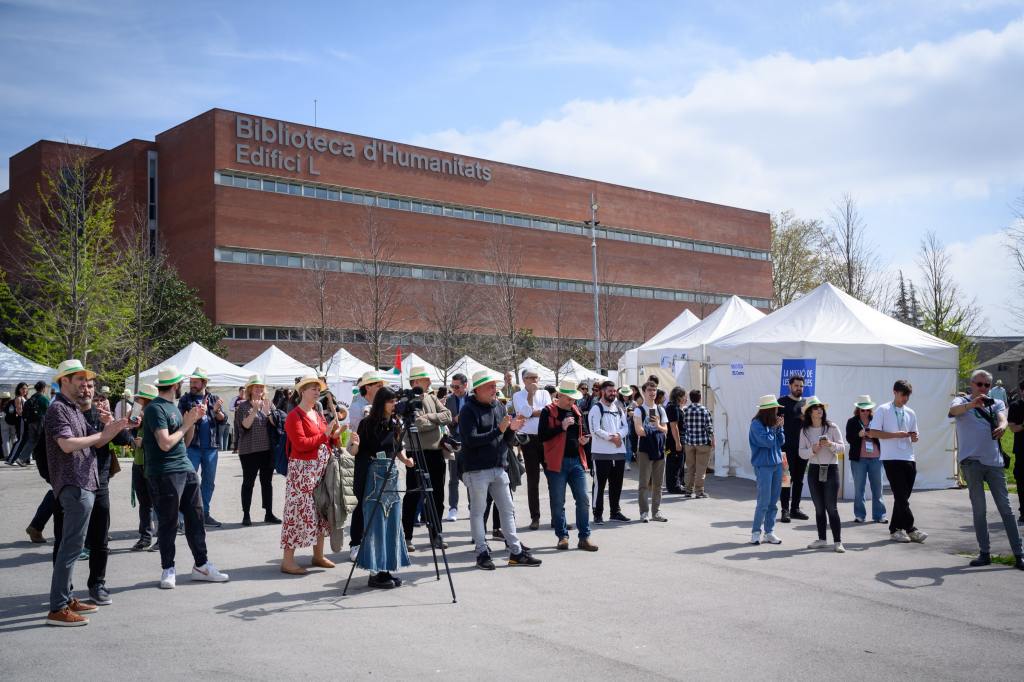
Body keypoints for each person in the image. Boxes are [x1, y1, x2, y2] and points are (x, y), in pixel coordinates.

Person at [43, 360, 128, 626]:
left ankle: (66, 599)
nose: (85, 385)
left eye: (87, 380)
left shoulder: (73, 409)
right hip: (74, 484)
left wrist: (112, 427)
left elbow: (99, 441)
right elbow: (67, 445)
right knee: (70, 548)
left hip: (85, 484)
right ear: (64, 381)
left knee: (73, 546)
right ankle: (58, 608)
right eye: (79, 379)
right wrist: (101, 435)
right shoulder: (58, 408)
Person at [144, 365, 230, 590]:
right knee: (169, 522)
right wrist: (185, 424)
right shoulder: (155, 408)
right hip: (164, 472)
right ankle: (168, 568)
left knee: (196, 519)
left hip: (185, 469)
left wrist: (193, 421)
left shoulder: (173, 407)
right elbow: (165, 443)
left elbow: (185, 442)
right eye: (182, 382)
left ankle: (201, 565)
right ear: (176, 385)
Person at [460, 369, 541, 570]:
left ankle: (516, 552)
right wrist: (500, 430)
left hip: (499, 467)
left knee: (508, 510)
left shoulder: (499, 406)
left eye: (495, 386)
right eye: (490, 387)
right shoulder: (468, 410)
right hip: (476, 469)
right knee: (478, 511)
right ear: (478, 389)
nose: (494, 390)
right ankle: (482, 552)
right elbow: (470, 440)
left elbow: (506, 439)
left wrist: (512, 429)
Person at [949, 369, 1024, 569]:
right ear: (971, 384)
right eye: (979, 384)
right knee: (979, 509)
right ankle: (985, 553)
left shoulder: (996, 402)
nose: (983, 388)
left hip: (994, 462)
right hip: (971, 461)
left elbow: (1003, 417)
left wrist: (1002, 426)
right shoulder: (961, 401)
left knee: (1006, 509)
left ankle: (1019, 554)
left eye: (986, 385)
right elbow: (953, 411)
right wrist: (972, 404)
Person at [70, 381, 134, 603]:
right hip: (72, 484)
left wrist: (112, 422)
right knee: (68, 539)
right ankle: (64, 591)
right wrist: (54, 481)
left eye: (91, 388)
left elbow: (126, 441)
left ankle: (97, 584)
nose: (87, 391)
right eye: (83, 387)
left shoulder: (101, 416)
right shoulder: (66, 414)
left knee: (100, 538)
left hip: (100, 482)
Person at [281, 375, 343, 575]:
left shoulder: (317, 413)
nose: (317, 392)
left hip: (320, 469)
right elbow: (301, 444)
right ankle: (287, 561)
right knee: (296, 514)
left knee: (320, 510)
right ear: (302, 392)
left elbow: (325, 440)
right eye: (313, 389)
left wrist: (334, 436)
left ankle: (318, 555)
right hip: (302, 472)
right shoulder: (294, 416)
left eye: (318, 389)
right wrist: (325, 435)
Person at [354, 386, 412, 588]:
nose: (394, 404)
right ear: (382, 402)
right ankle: (375, 571)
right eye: (391, 401)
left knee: (392, 521)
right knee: (376, 522)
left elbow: (398, 448)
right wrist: (352, 445)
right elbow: (358, 451)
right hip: (374, 475)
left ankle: (387, 568)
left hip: (391, 473)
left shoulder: (395, 423)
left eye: (396, 401)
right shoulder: (367, 423)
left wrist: (406, 460)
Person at [537, 379, 598, 551]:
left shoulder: (576, 411)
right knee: (558, 502)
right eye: (569, 399)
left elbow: (584, 431)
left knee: (583, 499)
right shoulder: (548, 411)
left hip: (576, 461)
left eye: (574, 399)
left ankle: (584, 537)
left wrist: (584, 439)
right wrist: (561, 427)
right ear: (560, 395)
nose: (572, 402)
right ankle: (562, 537)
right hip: (556, 462)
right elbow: (542, 436)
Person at [401, 366, 453, 551]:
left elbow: (448, 415)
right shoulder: (407, 399)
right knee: (413, 495)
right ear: (415, 382)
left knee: (437, 495)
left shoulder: (432, 397)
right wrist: (435, 421)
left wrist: (429, 418)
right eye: (426, 379)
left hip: (435, 452)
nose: (430, 382)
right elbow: (416, 422)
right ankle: (406, 537)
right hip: (415, 452)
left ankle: (436, 535)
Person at [868, 379, 926, 544]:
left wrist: (914, 436)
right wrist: (895, 435)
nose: (905, 399)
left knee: (903, 497)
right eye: (902, 395)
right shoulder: (883, 409)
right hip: (891, 458)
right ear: (894, 392)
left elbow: (914, 435)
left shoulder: (911, 412)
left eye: (908, 396)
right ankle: (911, 528)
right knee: (900, 495)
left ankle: (895, 529)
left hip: (909, 457)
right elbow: (873, 433)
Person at [178, 368, 227, 527]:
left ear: (204, 383)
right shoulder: (185, 400)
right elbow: (181, 420)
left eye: (195, 382)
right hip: (192, 446)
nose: (192, 384)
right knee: (188, 481)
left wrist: (216, 411)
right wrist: (196, 415)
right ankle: (183, 517)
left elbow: (223, 419)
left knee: (209, 482)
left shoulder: (214, 398)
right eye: (191, 382)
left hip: (211, 448)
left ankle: (204, 514)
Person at [797, 397, 845, 553]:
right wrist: (812, 450)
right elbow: (801, 453)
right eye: (815, 407)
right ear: (809, 412)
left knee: (831, 507)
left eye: (821, 407)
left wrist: (830, 444)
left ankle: (838, 541)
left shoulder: (832, 427)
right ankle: (822, 539)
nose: (819, 409)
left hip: (831, 469)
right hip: (814, 470)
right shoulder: (804, 430)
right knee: (819, 507)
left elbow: (842, 448)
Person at [347, 371, 386, 558]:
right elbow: (361, 431)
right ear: (367, 387)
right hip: (362, 456)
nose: (381, 388)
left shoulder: (382, 405)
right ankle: (355, 543)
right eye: (377, 385)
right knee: (361, 500)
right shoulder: (357, 406)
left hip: (381, 457)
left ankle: (373, 541)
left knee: (379, 501)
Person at [235, 375, 281, 527]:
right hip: (249, 451)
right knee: (248, 482)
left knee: (267, 482)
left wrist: (268, 412)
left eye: (261, 387)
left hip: (267, 450)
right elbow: (245, 426)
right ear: (250, 389)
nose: (259, 389)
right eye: (256, 387)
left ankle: (269, 513)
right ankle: (246, 514)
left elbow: (276, 424)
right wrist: (254, 410)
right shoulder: (242, 406)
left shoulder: (269, 404)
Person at [511, 368, 552, 530]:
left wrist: (530, 413)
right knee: (533, 480)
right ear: (524, 380)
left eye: (536, 377)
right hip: (528, 440)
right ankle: (535, 517)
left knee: (553, 478)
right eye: (531, 377)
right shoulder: (518, 395)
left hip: (545, 438)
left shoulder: (545, 393)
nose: (534, 380)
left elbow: (548, 413)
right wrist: (530, 396)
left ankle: (557, 516)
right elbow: (524, 414)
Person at [587, 380, 630, 524]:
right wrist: (612, 438)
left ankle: (615, 512)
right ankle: (597, 514)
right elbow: (595, 430)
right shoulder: (596, 409)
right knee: (599, 486)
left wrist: (618, 436)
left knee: (616, 485)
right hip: (601, 455)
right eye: (610, 391)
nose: (613, 393)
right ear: (603, 391)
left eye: (614, 391)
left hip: (619, 454)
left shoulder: (618, 408)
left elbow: (625, 427)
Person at [749, 394, 785, 546]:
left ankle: (769, 532)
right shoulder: (756, 424)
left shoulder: (772, 424)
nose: (777, 412)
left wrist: (780, 428)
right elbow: (768, 442)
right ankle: (756, 532)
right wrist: (775, 428)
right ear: (768, 410)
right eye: (775, 409)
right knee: (763, 501)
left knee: (773, 502)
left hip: (777, 465)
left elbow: (781, 441)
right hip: (763, 466)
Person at [846, 395, 886, 524]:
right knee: (859, 489)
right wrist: (859, 434)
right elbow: (849, 439)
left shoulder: (876, 420)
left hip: (876, 458)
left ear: (870, 410)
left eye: (867, 410)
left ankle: (879, 515)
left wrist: (873, 434)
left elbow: (883, 437)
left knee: (878, 488)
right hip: (859, 460)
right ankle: (860, 515)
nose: (865, 412)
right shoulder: (852, 421)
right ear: (858, 409)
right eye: (862, 410)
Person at [632, 381, 668, 522]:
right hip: (645, 449)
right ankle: (644, 512)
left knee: (658, 484)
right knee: (644, 483)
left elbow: (665, 429)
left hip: (659, 447)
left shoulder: (660, 409)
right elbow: (639, 431)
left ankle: (656, 512)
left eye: (654, 390)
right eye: (649, 390)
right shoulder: (639, 410)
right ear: (644, 392)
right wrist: (654, 430)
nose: (652, 393)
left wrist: (657, 426)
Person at [129, 385, 159, 551]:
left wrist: (144, 441)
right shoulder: (137, 412)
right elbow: (129, 431)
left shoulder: (156, 414)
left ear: (147, 400)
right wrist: (134, 421)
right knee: (144, 503)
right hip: (139, 462)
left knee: (158, 503)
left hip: (152, 463)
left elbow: (161, 438)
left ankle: (162, 537)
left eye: (139, 398)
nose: (136, 400)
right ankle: (145, 536)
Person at [778, 376, 808, 524]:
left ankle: (795, 509)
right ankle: (785, 510)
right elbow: (775, 422)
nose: (799, 388)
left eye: (801, 386)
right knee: (786, 480)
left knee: (799, 480)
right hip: (785, 448)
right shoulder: (781, 402)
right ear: (790, 386)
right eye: (796, 385)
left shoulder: (806, 404)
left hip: (802, 449)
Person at [443, 372, 469, 521]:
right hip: (455, 440)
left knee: (471, 475)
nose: (454, 389)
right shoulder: (449, 400)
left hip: (471, 441)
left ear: (465, 385)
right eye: (452, 386)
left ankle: (473, 507)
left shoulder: (473, 398)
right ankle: (453, 508)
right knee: (453, 476)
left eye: (457, 386)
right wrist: (455, 419)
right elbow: (445, 421)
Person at [682, 389, 715, 498]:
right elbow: (709, 427)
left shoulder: (686, 410)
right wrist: (713, 439)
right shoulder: (704, 410)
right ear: (700, 398)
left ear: (690, 398)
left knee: (690, 468)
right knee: (701, 468)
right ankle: (699, 491)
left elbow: (684, 426)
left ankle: (688, 490)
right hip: (703, 443)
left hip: (689, 442)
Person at [8, 380, 49, 466]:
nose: (24, 390)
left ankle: (24, 459)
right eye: (23, 388)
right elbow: (49, 411)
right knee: (37, 440)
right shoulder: (43, 399)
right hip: (38, 422)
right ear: (43, 388)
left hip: (30, 422)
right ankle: (17, 458)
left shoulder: (31, 398)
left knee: (31, 440)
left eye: (25, 388)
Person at [664, 387, 687, 494]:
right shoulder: (673, 408)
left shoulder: (671, 406)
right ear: (679, 397)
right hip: (674, 441)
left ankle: (677, 484)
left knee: (674, 462)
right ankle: (674, 486)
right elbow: (674, 426)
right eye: (684, 396)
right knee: (675, 463)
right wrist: (678, 442)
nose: (685, 398)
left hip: (671, 441)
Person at [1007, 380, 1024, 525]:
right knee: (1022, 480)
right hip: (1021, 449)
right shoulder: (1015, 406)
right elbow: (1012, 428)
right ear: (1022, 391)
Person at [1, 391, 16, 459]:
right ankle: (15, 454)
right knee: (14, 438)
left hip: (3, 422)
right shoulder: (13, 403)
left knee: (5, 440)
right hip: (13, 422)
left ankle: (7, 455)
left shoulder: (1, 404)